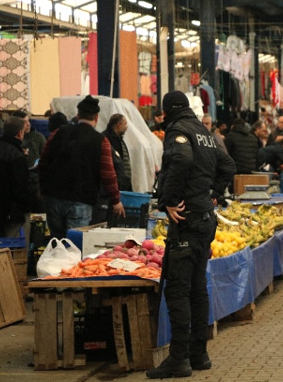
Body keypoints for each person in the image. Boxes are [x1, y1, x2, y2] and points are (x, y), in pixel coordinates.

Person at [146, 91, 235, 379]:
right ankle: (200, 354)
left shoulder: (179, 131)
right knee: (198, 289)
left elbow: (182, 160)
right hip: (206, 219)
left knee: (178, 291)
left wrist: (169, 200)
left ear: (167, 111)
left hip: (187, 222)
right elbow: (228, 165)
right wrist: (213, 196)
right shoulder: (204, 131)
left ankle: (179, 359)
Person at [39, 95, 125, 239]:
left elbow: (43, 163)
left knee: (56, 242)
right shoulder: (101, 141)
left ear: (78, 115)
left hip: (54, 197)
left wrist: (42, 189)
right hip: (82, 199)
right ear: (96, 117)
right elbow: (108, 173)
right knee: (75, 245)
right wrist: (116, 200)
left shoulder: (58, 133)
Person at [0, 116, 34, 247]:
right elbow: (21, 187)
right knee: (15, 249)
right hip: (12, 212)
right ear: (20, 133)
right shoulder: (16, 155)